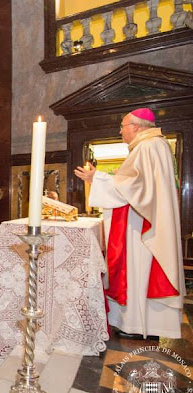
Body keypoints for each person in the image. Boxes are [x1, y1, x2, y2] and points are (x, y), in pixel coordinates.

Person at [74, 108, 185, 339]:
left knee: (138, 270)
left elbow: (134, 188)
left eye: (123, 127)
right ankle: (138, 323)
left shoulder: (148, 146)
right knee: (137, 270)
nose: (121, 131)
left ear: (135, 126)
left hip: (141, 224)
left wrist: (99, 178)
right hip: (142, 217)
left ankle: (138, 325)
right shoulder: (153, 146)